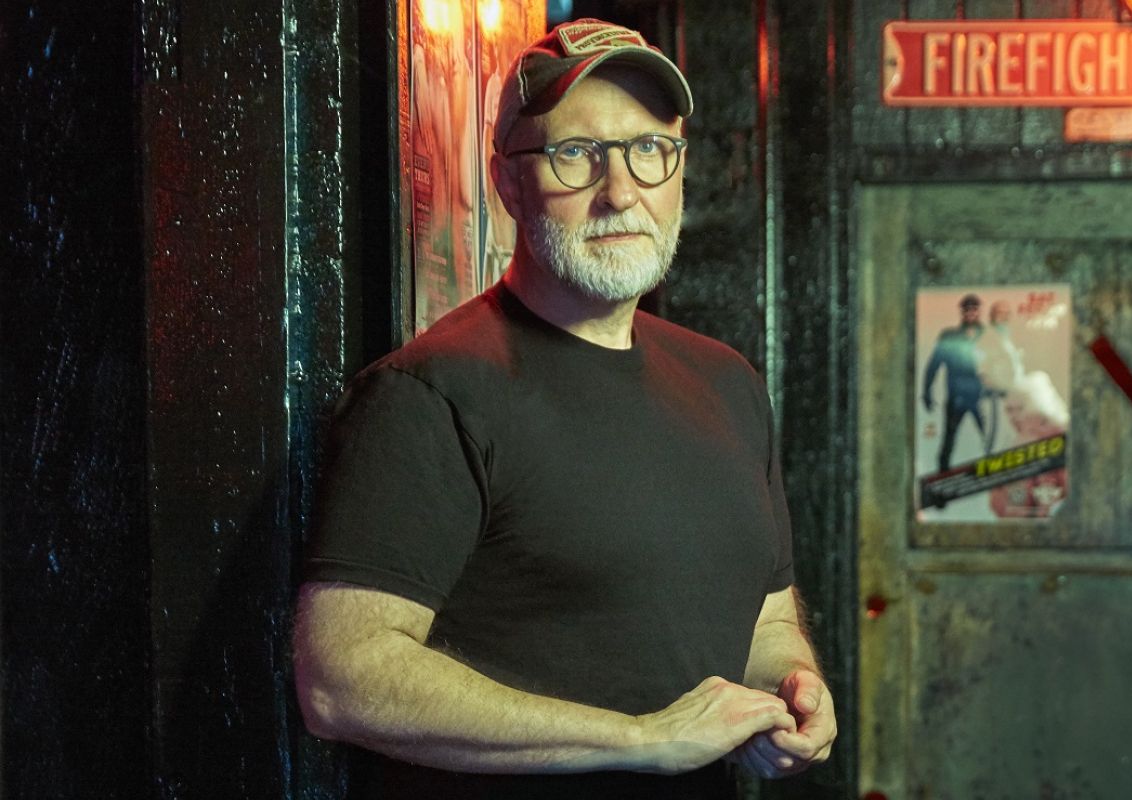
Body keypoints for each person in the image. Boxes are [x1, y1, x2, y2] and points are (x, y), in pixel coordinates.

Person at [292, 19, 835, 799]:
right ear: (507, 182)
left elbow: (766, 620)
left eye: (649, 149)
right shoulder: (428, 396)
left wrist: (792, 687)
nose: (621, 192)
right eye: (576, 155)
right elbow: (342, 678)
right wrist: (641, 740)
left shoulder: (727, 383)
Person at [922, 293, 988, 472]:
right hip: (956, 397)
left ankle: (999, 482)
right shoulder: (949, 336)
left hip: (982, 397)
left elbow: (1002, 365)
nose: (970, 313)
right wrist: (927, 392)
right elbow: (933, 365)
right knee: (948, 442)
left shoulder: (988, 336)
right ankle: (941, 483)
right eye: (967, 309)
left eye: (974, 309)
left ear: (979, 311)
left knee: (993, 441)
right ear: (962, 312)